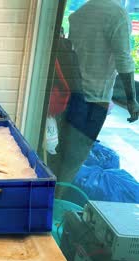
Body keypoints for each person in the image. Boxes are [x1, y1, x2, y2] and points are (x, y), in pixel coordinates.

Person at [55, 0, 139, 185]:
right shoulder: (117, 14)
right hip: (94, 98)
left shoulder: (81, 12)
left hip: (72, 91)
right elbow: (123, 59)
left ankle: (53, 196)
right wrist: (131, 99)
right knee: (75, 159)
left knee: (65, 154)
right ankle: (55, 201)